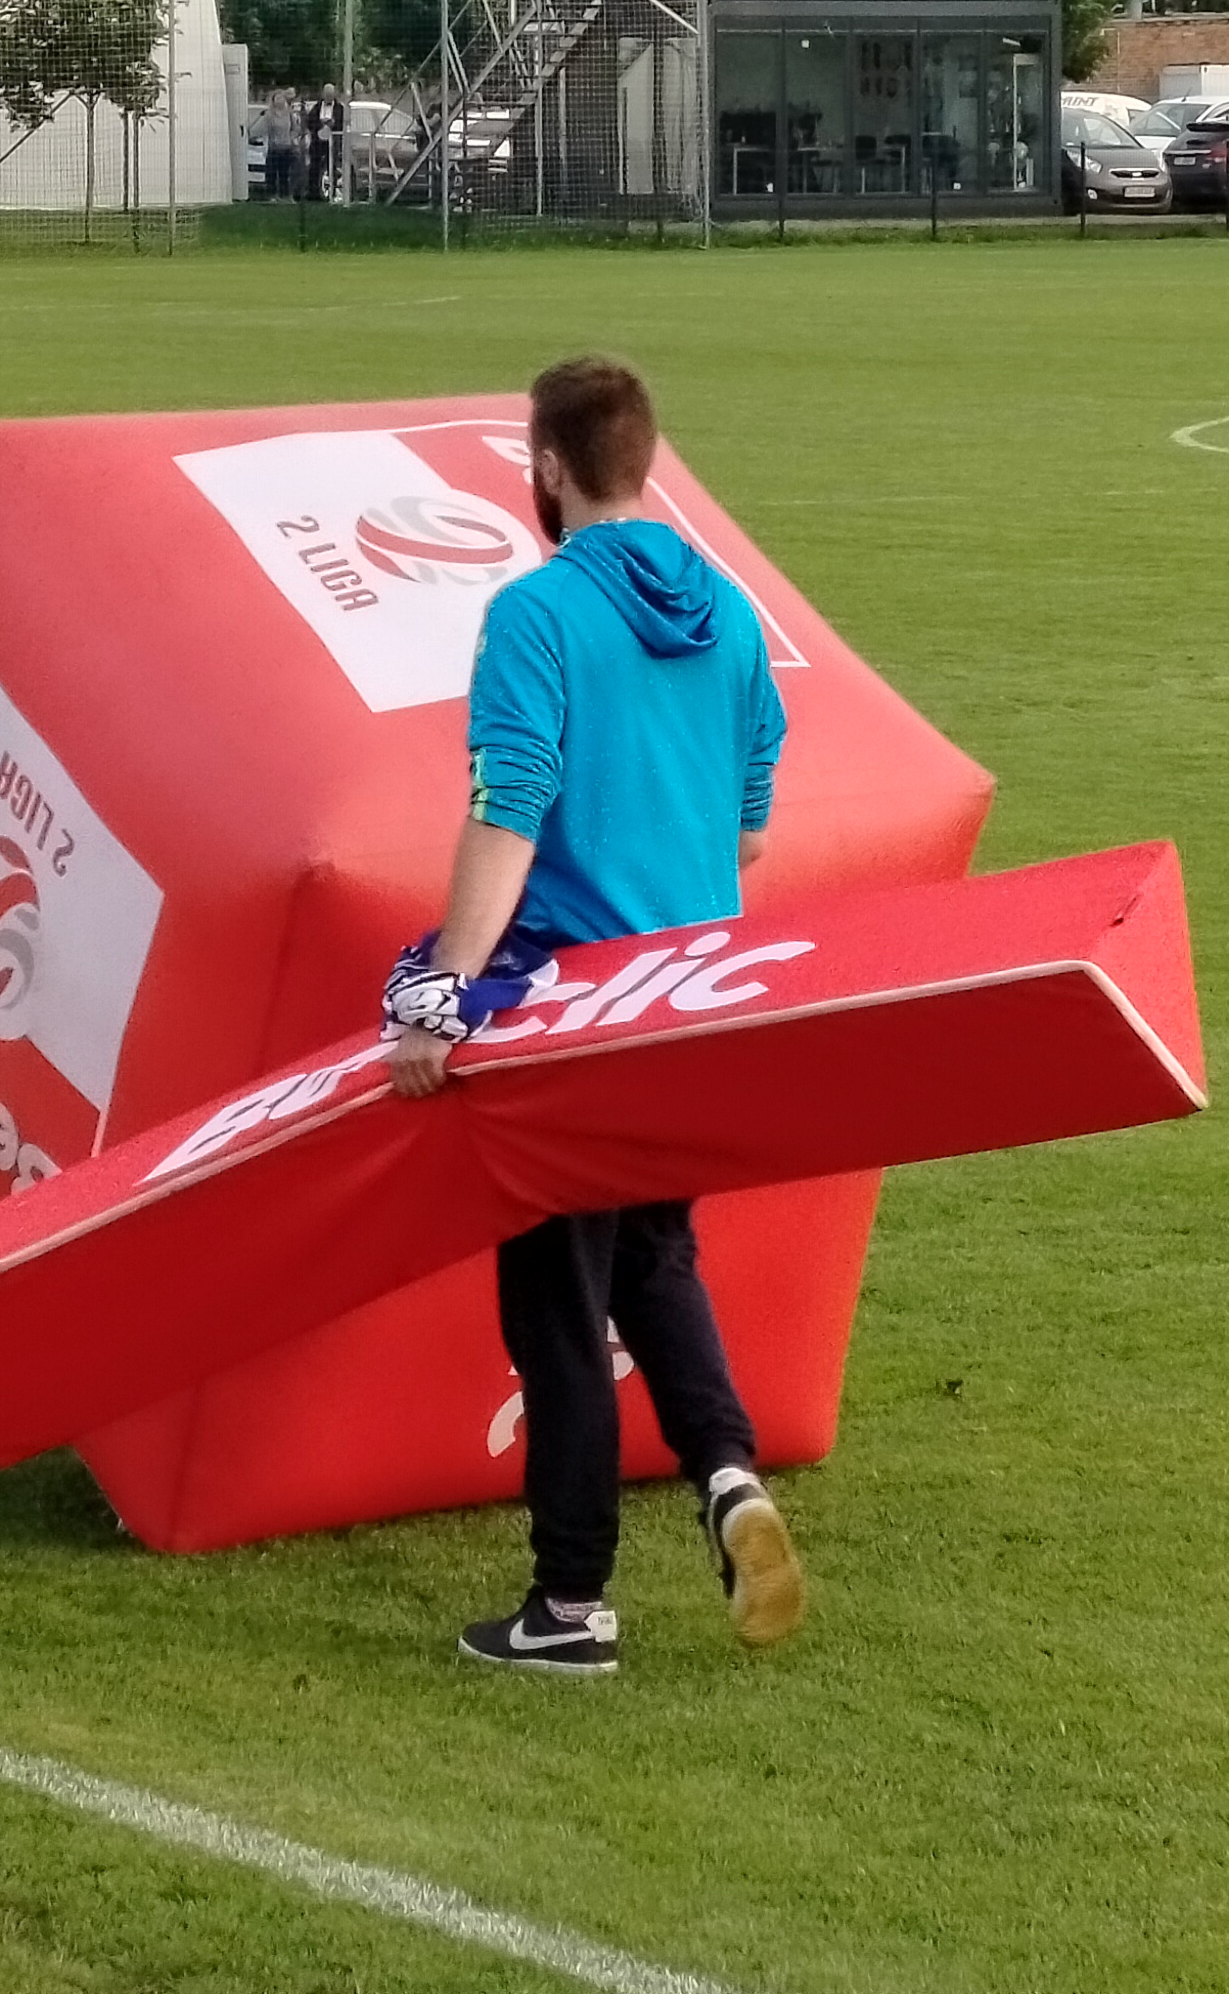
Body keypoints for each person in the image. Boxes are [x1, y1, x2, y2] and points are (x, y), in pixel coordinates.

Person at [382, 353, 803, 1674]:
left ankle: (569, 1608)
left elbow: (507, 810)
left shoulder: (537, 614)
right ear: (648, 460)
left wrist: (442, 995)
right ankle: (727, 1476)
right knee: (653, 1259)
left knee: (556, 1300)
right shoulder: (730, 613)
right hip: (690, 995)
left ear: (549, 467)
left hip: (572, 1003)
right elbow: (748, 829)